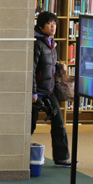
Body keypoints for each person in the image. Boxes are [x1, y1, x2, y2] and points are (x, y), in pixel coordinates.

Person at [32, 11, 70, 166]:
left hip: (50, 90)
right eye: (49, 23)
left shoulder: (52, 43)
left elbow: (49, 66)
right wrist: (33, 91)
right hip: (37, 93)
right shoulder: (37, 43)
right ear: (41, 26)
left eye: (55, 23)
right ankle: (17, 155)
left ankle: (61, 157)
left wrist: (59, 67)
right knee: (29, 125)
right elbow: (32, 69)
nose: (53, 26)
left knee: (58, 123)